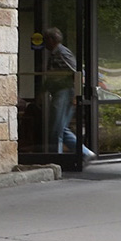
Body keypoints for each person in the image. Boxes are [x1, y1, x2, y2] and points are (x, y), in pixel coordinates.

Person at [43, 27, 96, 163]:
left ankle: (57, 160)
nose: (44, 42)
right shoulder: (55, 54)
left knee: (56, 129)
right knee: (60, 128)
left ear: (51, 40)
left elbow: (77, 73)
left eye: (46, 39)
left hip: (64, 93)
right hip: (61, 93)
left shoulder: (62, 52)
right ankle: (84, 152)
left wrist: (76, 95)